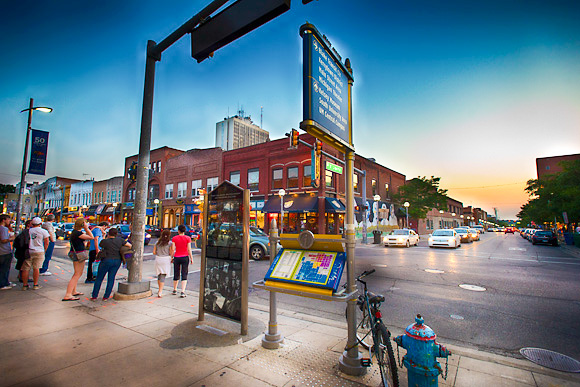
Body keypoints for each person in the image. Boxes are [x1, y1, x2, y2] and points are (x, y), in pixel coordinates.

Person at [91, 228, 131, 301]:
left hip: (106, 260)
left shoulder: (105, 241)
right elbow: (129, 245)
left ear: (108, 234)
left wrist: (104, 235)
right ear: (116, 234)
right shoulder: (120, 240)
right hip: (117, 260)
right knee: (111, 278)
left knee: (99, 278)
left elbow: (101, 243)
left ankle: (94, 296)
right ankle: (106, 296)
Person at [63, 218, 94, 301]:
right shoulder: (78, 233)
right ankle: (68, 294)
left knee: (77, 273)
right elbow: (91, 237)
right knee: (77, 274)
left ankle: (73, 291)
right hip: (79, 254)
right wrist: (87, 229)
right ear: (82, 224)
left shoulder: (75, 232)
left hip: (75, 253)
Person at [23, 217, 49, 290]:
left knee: (26, 268)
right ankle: (35, 284)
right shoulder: (43, 231)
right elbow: (47, 242)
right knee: (36, 268)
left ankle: (25, 285)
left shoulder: (28, 231)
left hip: (29, 250)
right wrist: (44, 250)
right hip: (39, 250)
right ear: (40, 223)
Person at [171, 225, 193, 298]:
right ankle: (183, 291)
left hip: (177, 256)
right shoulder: (188, 238)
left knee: (176, 272)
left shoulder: (174, 238)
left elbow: (173, 249)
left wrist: (171, 257)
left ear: (178, 231)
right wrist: (191, 257)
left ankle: (174, 289)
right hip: (185, 257)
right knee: (184, 273)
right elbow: (189, 249)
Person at [153, 229, 173, 298]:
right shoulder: (169, 243)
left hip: (158, 259)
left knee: (159, 274)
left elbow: (154, 252)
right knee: (163, 276)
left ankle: (159, 289)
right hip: (165, 259)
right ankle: (160, 292)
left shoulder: (157, 242)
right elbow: (171, 253)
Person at [0, 214, 16, 290]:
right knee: (4, 268)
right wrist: (11, 239)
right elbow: (3, 240)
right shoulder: (3, 229)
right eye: (8, 219)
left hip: (2, 251)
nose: (9, 221)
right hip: (4, 251)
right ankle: (3, 284)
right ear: (4, 220)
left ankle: (5, 282)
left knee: (4, 268)